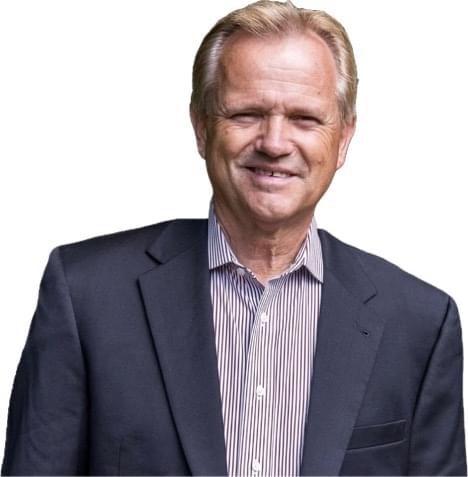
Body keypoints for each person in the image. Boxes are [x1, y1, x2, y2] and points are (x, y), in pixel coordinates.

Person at [1, 0, 466, 475]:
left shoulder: (420, 325)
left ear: (343, 138)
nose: (275, 142)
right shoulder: (86, 297)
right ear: (202, 127)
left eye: (305, 118)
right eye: (246, 114)